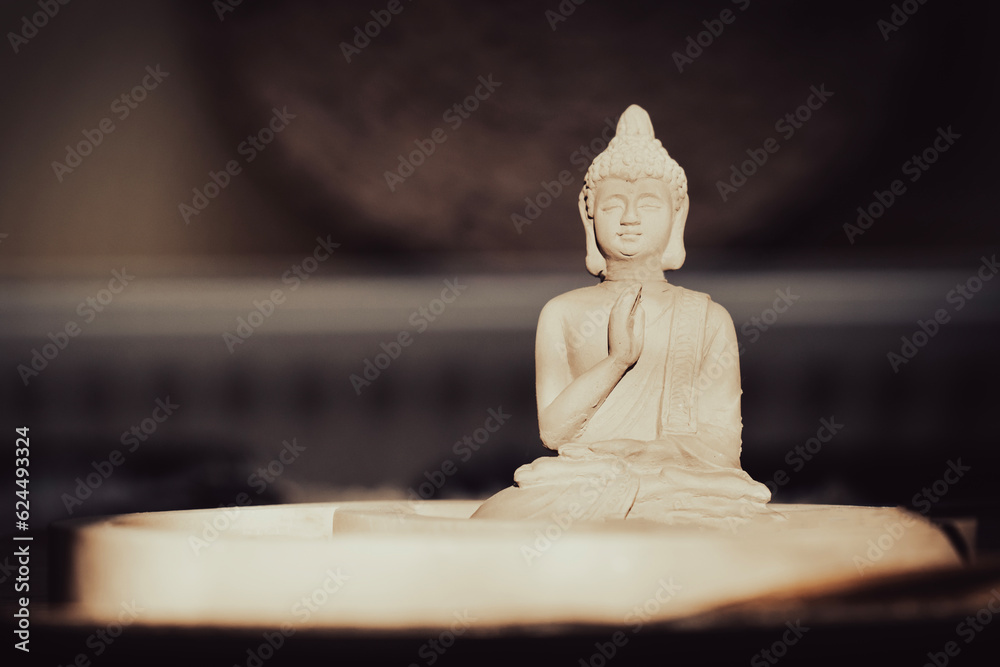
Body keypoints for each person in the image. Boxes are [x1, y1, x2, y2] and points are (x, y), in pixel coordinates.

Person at [473, 105, 772, 527]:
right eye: (614, 205)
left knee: (732, 500)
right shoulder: (563, 312)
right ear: (588, 213)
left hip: (677, 480)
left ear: (678, 213)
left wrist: (652, 454)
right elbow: (555, 432)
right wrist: (618, 360)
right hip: (583, 476)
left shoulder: (708, 318)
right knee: (516, 506)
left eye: (648, 204)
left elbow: (722, 448)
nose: (629, 219)